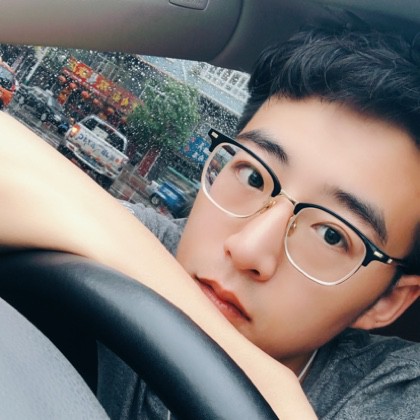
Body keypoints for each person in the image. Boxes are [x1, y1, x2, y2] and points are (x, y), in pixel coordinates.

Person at [0, 25, 419, 419]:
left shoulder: (388, 392)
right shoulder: (150, 245)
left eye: (331, 235)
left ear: (387, 301)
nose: (248, 249)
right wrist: (258, 376)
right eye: (253, 176)